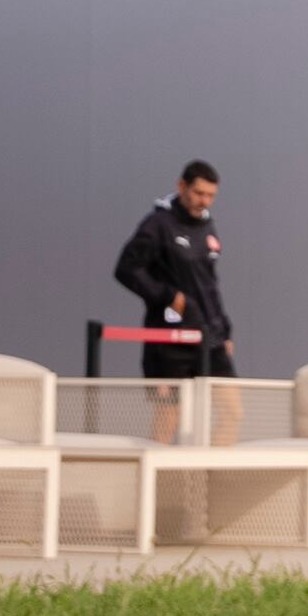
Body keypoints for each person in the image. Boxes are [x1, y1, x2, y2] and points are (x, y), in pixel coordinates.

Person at [113, 161, 236, 443]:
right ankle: (159, 472)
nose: (204, 201)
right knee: (169, 416)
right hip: (170, 340)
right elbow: (126, 269)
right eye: (198, 193)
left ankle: (212, 471)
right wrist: (169, 296)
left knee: (232, 411)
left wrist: (225, 330)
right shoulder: (158, 225)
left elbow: (210, 284)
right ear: (182, 186)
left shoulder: (208, 227)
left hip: (210, 337)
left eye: (211, 195)